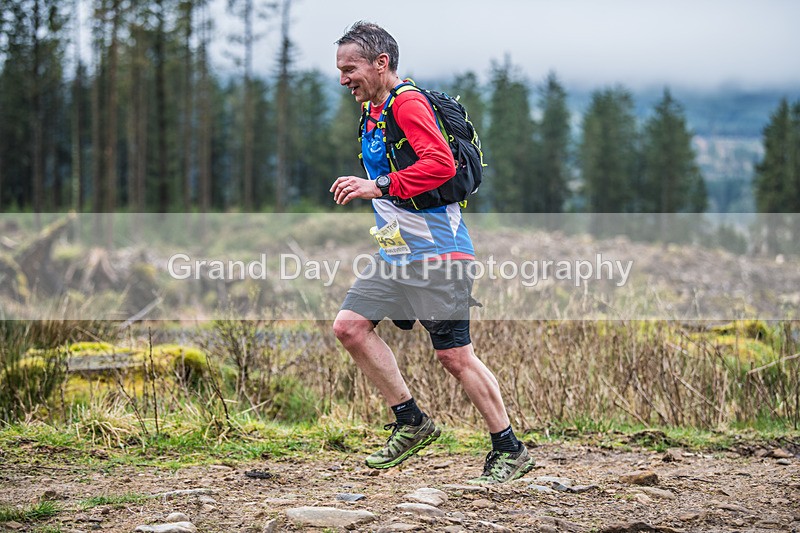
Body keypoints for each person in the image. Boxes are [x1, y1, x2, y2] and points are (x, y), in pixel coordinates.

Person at [329, 21, 534, 484]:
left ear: (381, 63)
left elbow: (440, 164)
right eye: (340, 70)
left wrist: (377, 185)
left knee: (455, 356)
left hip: (440, 253)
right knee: (350, 328)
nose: (343, 79)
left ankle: (510, 449)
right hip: (395, 254)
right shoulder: (372, 113)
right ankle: (411, 421)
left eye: (350, 69)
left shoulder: (408, 103)